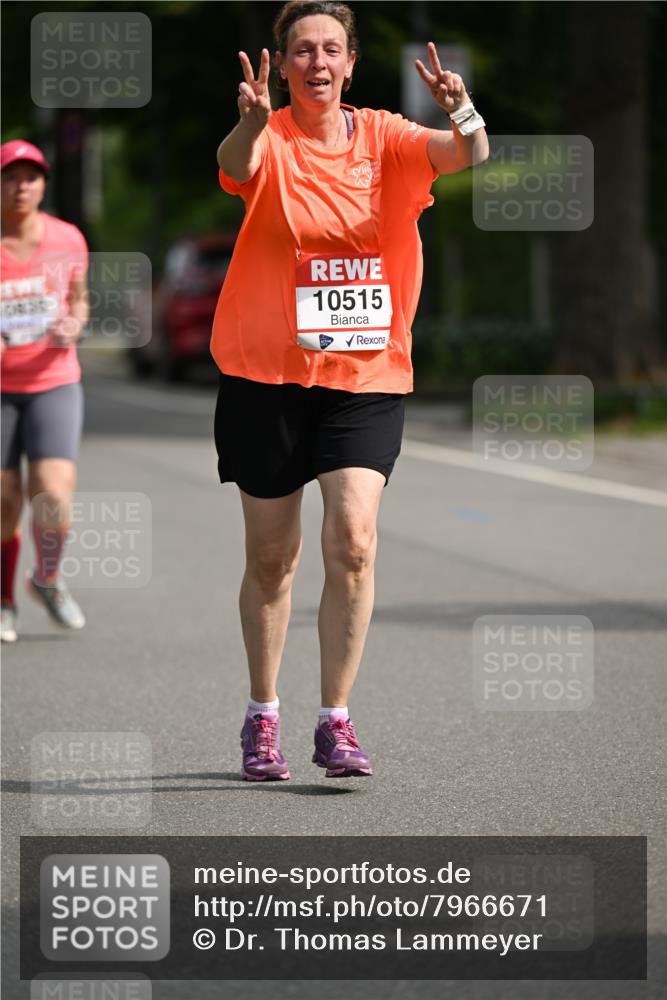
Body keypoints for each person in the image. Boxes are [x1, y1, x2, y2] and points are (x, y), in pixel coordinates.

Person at [213, 0, 488, 780]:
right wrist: (250, 121)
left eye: (331, 49)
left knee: (355, 542)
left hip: (363, 376)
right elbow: (236, 165)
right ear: (282, 65)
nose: (317, 63)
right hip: (264, 375)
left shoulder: (386, 139)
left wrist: (461, 108)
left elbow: (468, 153)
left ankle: (334, 720)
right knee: (273, 559)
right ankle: (262, 714)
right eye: (302, 50)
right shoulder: (269, 136)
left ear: (351, 63)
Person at [1, 139, 89, 642]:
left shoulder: (67, 238)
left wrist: (74, 323)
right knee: (4, 498)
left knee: (52, 493)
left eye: (30, 178)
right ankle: (4, 599)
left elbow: (79, 301)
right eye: (10, 177)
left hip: (53, 382)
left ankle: (47, 578)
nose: (20, 187)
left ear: (43, 185)